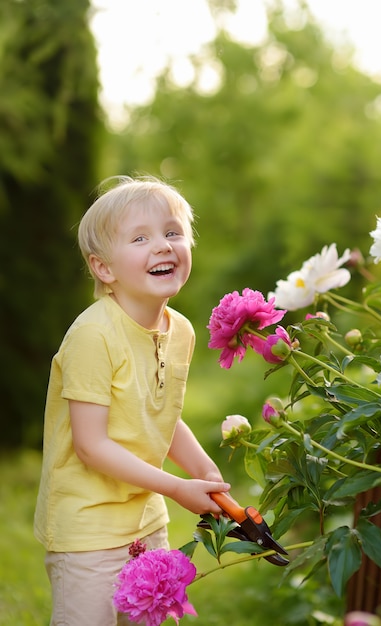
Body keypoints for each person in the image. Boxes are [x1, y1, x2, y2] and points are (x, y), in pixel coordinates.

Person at [34, 175, 230, 626]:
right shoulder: (93, 335)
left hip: (145, 520)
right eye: (140, 238)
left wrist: (203, 471)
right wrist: (177, 487)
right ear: (103, 268)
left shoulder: (179, 330)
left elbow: (160, 414)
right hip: (87, 530)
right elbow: (91, 445)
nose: (162, 246)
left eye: (172, 232)